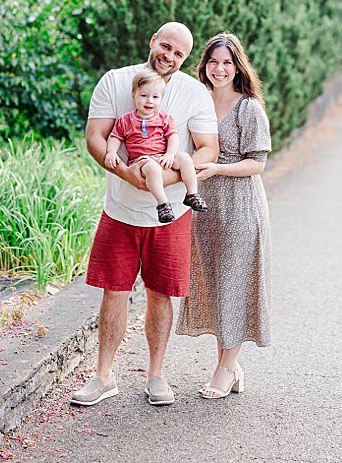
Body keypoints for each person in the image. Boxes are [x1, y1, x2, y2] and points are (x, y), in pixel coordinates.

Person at [72, 22, 219, 407]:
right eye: (165, 46)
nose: (168, 56)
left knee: (160, 295)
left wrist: (161, 179)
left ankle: (156, 375)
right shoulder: (116, 81)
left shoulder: (193, 94)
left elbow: (207, 150)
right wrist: (128, 176)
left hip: (169, 216)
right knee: (114, 292)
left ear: (185, 59)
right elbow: (95, 138)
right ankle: (104, 376)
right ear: (153, 41)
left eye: (178, 53)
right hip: (119, 211)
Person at [176, 33, 271, 399]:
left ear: (237, 67)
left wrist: (216, 168)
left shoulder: (248, 108)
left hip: (240, 206)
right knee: (217, 287)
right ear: (204, 65)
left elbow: (257, 164)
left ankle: (226, 367)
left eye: (227, 63)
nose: (219, 69)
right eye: (213, 62)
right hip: (203, 207)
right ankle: (231, 368)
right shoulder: (196, 100)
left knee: (235, 285)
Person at [104, 68, 208, 224]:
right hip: (142, 160)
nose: (149, 101)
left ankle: (192, 194)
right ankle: (163, 204)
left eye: (155, 97)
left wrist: (170, 154)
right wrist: (111, 152)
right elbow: (115, 137)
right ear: (134, 96)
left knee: (186, 158)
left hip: (163, 155)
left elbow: (173, 137)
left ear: (161, 99)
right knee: (153, 169)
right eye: (144, 96)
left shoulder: (164, 118)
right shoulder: (125, 120)